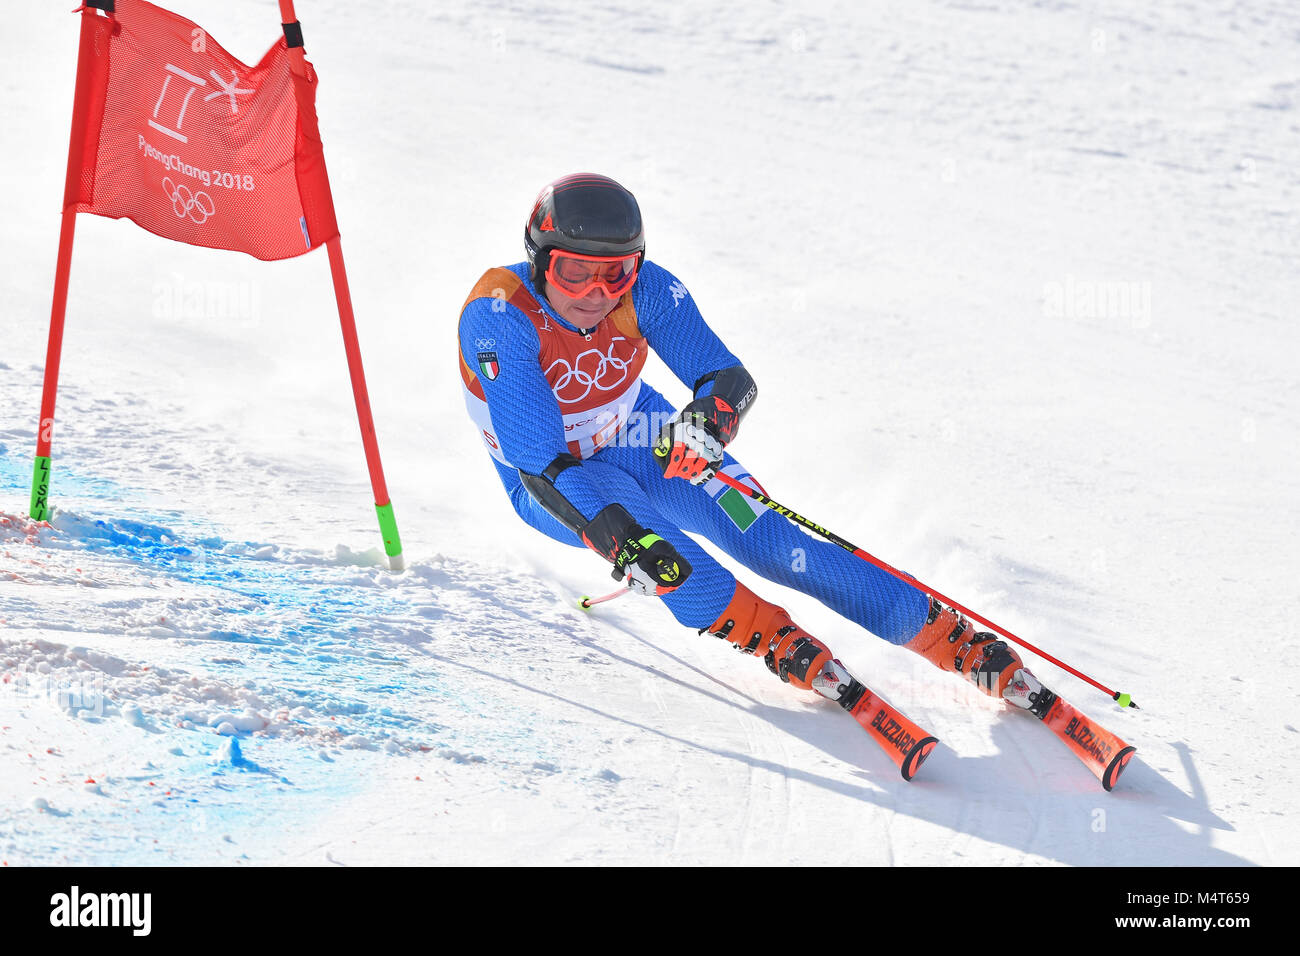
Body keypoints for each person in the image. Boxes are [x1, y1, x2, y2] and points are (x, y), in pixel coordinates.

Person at [457, 172, 1028, 714]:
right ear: (538, 260)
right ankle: (772, 639)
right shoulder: (499, 315)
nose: (597, 293)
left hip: (638, 433)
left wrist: (707, 421)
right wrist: (619, 537)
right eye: (574, 272)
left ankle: (944, 637)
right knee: (671, 564)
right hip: (557, 477)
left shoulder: (648, 291)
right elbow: (540, 460)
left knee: (775, 543)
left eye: (617, 274)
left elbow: (728, 378)